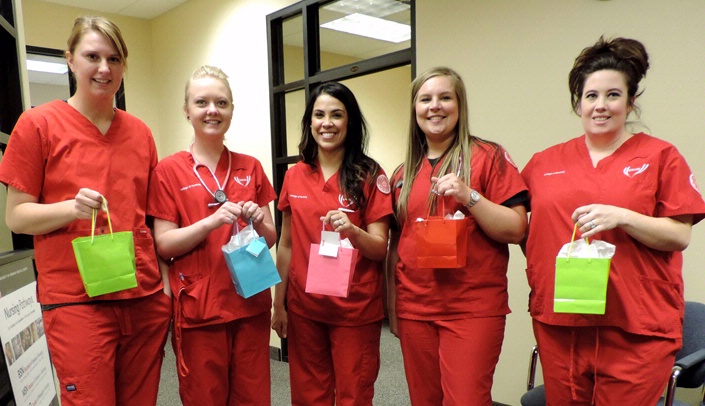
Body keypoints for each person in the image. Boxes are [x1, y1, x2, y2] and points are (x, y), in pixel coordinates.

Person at [521, 36, 705, 405]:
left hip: (636, 325)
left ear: (630, 101)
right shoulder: (543, 163)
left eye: (613, 95)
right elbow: (514, 222)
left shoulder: (660, 156)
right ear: (578, 103)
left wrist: (622, 216)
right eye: (591, 96)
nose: (600, 106)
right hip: (562, 323)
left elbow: (678, 235)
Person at [0, 16, 172, 405]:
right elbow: (16, 216)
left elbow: (151, 215)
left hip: (141, 296)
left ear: (124, 66)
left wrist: (163, 289)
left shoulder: (140, 133)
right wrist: (70, 209)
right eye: (92, 56)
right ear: (70, 60)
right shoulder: (38, 125)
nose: (104, 68)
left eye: (114, 58)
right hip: (78, 301)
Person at [386, 66, 528, 406]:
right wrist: (391, 306)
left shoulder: (488, 157)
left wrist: (469, 196)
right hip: (415, 309)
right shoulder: (403, 173)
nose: (435, 106)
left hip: (471, 309)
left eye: (445, 97)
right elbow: (395, 248)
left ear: (459, 105)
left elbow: (515, 228)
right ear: (414, 109)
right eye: (425, 99)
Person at [149, 65, 277, 405]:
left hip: (250, 303)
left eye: (221, 103)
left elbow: (272, 236)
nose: (212, 111)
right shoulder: (168, 170)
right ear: (187, 111)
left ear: (231, 109)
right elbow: (163, 243)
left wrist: (258, 220)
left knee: (253, 396)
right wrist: (209, 223)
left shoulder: (251, 166)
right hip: (199, 308)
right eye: (202, 102)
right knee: (204, 397)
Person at [271, 81, 392, 405]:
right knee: (308, 395)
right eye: (319, 114)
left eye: (336, 115)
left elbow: (380, 248)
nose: (327, 123)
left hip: (354, 310)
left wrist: (353, 231)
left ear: (349, 121)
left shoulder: (369, 174)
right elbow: (286, 245)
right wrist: (278, 304)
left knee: (354, 395)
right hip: (305, 308)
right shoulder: (295, 175)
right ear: (309, 122)